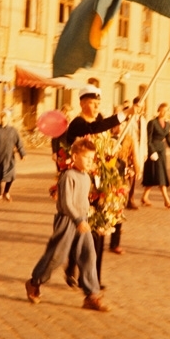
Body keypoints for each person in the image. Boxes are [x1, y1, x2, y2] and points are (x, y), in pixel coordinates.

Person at [25, 137, 110, 312]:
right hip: (67, 221)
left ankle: (91, 295)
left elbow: (84, 200)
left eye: (92, 159)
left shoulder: (86, 177)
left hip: (83, 221)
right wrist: (78, 219)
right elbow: (66, 203)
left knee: (89, 255)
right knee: (56, 257)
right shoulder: (67, 176)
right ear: (75, 156)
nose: (90, 162)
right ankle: (34, 282)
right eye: (87, 158)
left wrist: (89, 215)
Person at [63, 85, 129, 289]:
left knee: (99, 230)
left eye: (98, 103)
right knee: (83, 229)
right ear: (82, 103)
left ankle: (94, 279)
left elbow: (107, 142)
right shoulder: (78, 124)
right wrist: (123, 115)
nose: (96, 106)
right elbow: (93, 131)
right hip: (82, 183)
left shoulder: (100, 120)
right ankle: (74, 266)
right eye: (92, 103)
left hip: (102, 182)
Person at [108, 110, 138, 255]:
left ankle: (115, 243)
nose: (119, 127)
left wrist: (134, 169)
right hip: (106, 176)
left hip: (121, 177)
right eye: (117, 125)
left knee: (119, 210)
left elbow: (133, 155)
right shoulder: (106, 137)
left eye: (122, 125)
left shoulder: (128, 139)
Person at [141, 102, 170, 208]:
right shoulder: (152, 122)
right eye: (163, 110)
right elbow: (148, 139)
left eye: (167, 111)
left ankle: (145, 197)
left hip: (161, 152)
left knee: (156, 175)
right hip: (153, 152)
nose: (165, 112)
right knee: (159, 175)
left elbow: (169, 139)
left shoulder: (167, 124)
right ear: (159, 110)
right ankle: (167, 200)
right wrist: (151, 151)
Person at [0, 109, 26, 202]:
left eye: (5, 118)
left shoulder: (13, 131)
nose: (3, 119)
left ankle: (6, 192)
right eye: (1, 118)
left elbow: (19, 143)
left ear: (8, 119)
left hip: (9, 157)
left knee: (11, 175)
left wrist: (22, 154)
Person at [125, 96, 147, 210]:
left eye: (142, 107)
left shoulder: (143, 120)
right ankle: (125, 197)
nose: (141, 109)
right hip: (129, 149)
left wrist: (145, 152)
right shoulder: (128, 118)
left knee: (135, 175)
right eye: (139, 107)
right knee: (128, 174)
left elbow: (145, 138)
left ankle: (131, 198)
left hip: (139, 149)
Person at [50, 103, 73, 171]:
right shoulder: (59, 123)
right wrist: (54, 152)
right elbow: (54, 138)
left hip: (69, 150)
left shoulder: (70, 123)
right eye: (68, 112)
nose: (70, 114)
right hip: (60, 151)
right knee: (61, 170)